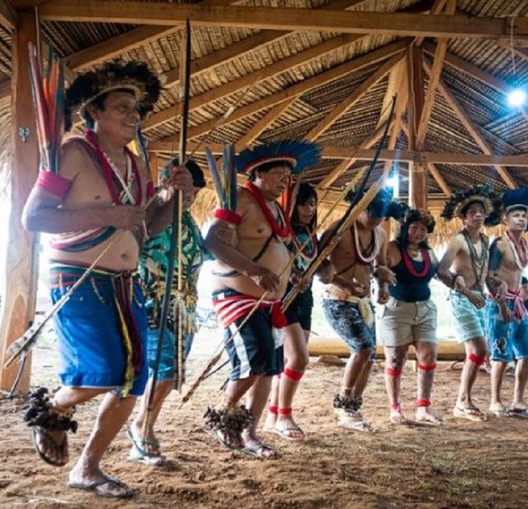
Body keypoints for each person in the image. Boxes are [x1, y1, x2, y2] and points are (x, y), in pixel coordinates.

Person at [21, 60, 193, 497]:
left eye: (136, 109)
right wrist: (107, 213)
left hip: (124, 282)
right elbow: (35, 217)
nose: (133, 116)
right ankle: (51, 408)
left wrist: (177, 199)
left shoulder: (137, 166)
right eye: (121, 106)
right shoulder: (72, 152)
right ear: (94, 112)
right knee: (102, 373)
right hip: (78, 277)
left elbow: (145, 228)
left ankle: (88, 467)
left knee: (135, 379)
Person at [204, 140, 320, 458]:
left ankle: (249, 432)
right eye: (279, 173)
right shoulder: (240, 199)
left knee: (269, 368)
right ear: (258, 173)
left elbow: (276, 250)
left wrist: (290, 275)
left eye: (288, 175)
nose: (285, 180)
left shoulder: (276, 210)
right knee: (254, 361)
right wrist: (254, 271)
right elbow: (213, 241)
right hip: (238, 297)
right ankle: (224, 414)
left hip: (269, 303)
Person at [128, 159, 208, 465]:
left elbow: (207, 253)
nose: (187, 198)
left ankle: (145, 424)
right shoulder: (152, 209)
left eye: (193, 192)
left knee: (170, 374)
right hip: (155, 303)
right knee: (161, 372)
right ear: (165, 182)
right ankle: (141, 427)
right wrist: (167, 198)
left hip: (184, 309)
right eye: (182, 188)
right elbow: (147, 231)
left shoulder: (190, 223)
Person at [321, 187, 403, 432]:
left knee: (369, 356)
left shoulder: (380, 235)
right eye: (372, 213)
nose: (376, 218)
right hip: (338, 299)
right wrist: (345, 283)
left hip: (364, 303)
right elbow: (319, 267)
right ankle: (344, 401)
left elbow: (379, 266)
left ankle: (353, 406)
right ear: (360, 207)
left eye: (381, 215)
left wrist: (383, 284)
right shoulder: (339, 229)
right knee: (363, 348)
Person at [437, 185, 501, 422]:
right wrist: (462, 288)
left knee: (476, 352)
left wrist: (496, 287)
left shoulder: (485, 241)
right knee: (480, 349)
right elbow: (441, 271)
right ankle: (463, 401)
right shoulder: (458, 241)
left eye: (481, 211)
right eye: (472, 211)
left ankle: (463, 402)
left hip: (480, 299)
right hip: (461, 299)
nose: (478, 215)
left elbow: (486, 275)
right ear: (463, 216)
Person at [485, 187, 528, 419]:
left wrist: (526, 283)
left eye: (524, 216)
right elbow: (489, 276)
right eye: (516, 215)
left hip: (519, 306)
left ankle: (518, 400)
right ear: (505, 219)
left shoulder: (524, 245)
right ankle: (495, 401)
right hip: (499, 306)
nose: (521, 219)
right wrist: (501, 306)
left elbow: (517, 271)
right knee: (501, 355)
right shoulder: (500, 245)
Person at [263, 182, 319, 441]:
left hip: (305, 298)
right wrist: (292, 274)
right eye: (302, 203)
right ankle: (284, 414)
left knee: (289, 362)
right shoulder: (279, 232)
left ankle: (273, 415)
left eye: (312, 204)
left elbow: (317, 265)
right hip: (284, 296)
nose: (308, 209)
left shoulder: (312, 234)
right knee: (299, 358)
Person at [378, 208, 442, 425]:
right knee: (396, 359)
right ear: (404, 228)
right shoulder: (392, 248)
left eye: (423, 229)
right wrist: (382, 287)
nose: (418, 232)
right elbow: (379, 269)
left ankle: (423, 407)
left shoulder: (429, 253)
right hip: (397, 311)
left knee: (429, 354)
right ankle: (395, 407)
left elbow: (442, 273)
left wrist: (461, 283)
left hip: (425, 310)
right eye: (414, 227)